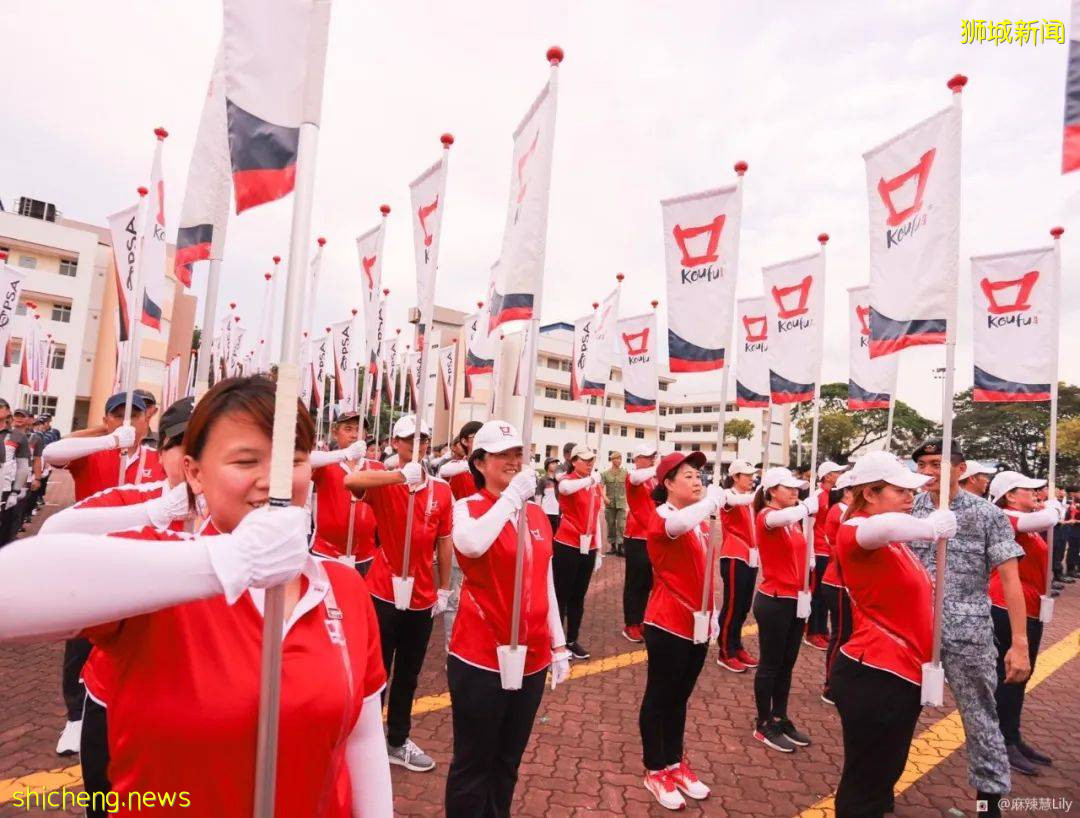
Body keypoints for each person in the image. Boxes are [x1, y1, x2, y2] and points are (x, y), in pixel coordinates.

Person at [0, 376, 393, 817]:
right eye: (246, 460)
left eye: (293, 460)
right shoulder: (157, 568)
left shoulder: (342, 587)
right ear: (194, 473)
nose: (274, 481)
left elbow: (362, 737)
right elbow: (13, 590)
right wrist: (234, 560)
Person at [38, 397, 193, 817]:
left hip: (192, 697)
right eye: (183, 443)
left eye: (208, 442)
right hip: (118, 689)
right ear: (166, 451)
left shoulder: (237, 511)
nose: (194, 456)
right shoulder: (131, 489)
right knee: (106, 802)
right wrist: (156, 509)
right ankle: (74, 718)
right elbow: (55, 528)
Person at [444, 420, 570, 817]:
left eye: (518, 453)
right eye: (502, 454)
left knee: (507, 762)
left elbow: (545, 581)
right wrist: (511, 500)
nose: (514, 461)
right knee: (473, 763)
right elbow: (471, 544)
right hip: (480, 656)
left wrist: (558, 644)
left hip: (532, 658)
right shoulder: (467, 507)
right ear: (479, 462)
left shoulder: (536, 515)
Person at [829, 451, 957, 818]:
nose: (909, 498)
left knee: (884, 774)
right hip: (875, 674)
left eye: (910, 491)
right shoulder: (857, 530)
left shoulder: (892, 540)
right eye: (900, 491)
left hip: (901, 673)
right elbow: (880, 528)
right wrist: (931, 527)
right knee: (866, 784)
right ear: (870, 493)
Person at [909, 439, 1031, 818]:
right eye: (922, 465)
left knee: (981, 719)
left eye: (936, 464)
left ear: (960, 469)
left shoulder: (986, 514)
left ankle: (987, 808)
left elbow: (1010, 580)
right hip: (914, 629)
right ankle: (878, 794)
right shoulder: (909, 508)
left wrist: (1020, 643)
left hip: (967, 631)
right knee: (897, 714)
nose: (927, 472)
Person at [40, 392, 165, 756]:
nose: (127, 421)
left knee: (135, 639)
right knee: (81, 641)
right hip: (89, 560)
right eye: (117, 414)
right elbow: (52, 453)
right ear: (106, 419)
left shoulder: (156, 458)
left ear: (147, 419)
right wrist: (108, 438)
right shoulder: (93, 453)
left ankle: (128, 709)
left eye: (135, 415)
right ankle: (75, 718)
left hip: (137, 561)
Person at [345, 414, 453, 773]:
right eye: (408, 439)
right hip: (382, 592)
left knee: (409, 674)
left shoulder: (442, 490)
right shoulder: (385, 481)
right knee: (376, 670)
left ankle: (397, 740)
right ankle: (367, 738)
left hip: (421, 598)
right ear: (395, 442)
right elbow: (351, 480)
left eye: (422, 439)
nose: (416, 445)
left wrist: (443, 588)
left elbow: (444, 540)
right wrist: (398, 476)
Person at [638, 450, 716, 810]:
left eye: (698, 475)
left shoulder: (700, 522)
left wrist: (712, 614)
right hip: (667, 623)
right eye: (688, 476)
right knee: (660, 697)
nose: (697, 481)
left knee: (680, 697)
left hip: (696, 622)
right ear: (667, 484)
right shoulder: (663, 517)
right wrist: (713, 501)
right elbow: (676, 526)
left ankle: (674, 762)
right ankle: (655, 769)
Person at [987, 471, 1061, 776]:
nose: (1036, 493)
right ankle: (1002, 742)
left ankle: (1013, 737)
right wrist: (1054, 506)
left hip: (1029, 607)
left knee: (1021, 677)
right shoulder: (1004, 517)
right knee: (1010, 676)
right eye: (1027, 490)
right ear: (1009, 496)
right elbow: (1049, 518)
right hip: (1006, 606)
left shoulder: (1025, 522)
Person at [751, 467, 817, 753]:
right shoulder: (768, 516)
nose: (794, 491)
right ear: (771, 492)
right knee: (770, 664)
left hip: (796, 599)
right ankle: (763, 722)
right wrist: (807, 506)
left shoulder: (794, 519)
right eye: (787, 487)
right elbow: (783, 517)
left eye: (796, 487)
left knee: (787, 664)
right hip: (774, 601)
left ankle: (780, 716)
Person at [310, 410, 378, 575]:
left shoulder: (376, 467)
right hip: (326, 553)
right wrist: (344, 454)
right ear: (335, 433)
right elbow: (304, 459)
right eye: (348, 429)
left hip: (366, 555)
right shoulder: (324, 465)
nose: (354, 435)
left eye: (359, 429)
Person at [553, 444, 605, 660]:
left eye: (592, 459)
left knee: (578, 596)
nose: (590, 463)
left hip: (588, 546)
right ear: (574, 461)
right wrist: (590, 480)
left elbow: (595, 518)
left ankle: (572, 640)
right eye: (585, 460)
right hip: (567, 544)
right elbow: (565, 489)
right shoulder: (568, 479)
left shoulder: (593, 485)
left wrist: (599, 550)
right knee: (561, 594)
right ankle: (555, 642)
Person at [437, 420, 483, 652]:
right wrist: (472, 462)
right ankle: (452, 649)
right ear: (464, 440)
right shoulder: (455, 467)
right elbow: (443, 471)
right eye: (475, 436)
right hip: (459, 541)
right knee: (454, 600)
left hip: (484, 541)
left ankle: (474, 646)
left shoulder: (489, 469)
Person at [716, 459, 758, 671]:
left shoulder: (749, 499)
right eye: (747, 475)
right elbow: (733, 501)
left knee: (743, 606)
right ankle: (725, 651)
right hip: (734, 556)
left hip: (750, 556)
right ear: (735, 477)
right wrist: (760, 494)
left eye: (752, 475)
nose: (751, 478)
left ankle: (736, 644)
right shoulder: (728, 495)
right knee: (732, 605)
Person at [820, 474, 854, 705]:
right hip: (837, 581)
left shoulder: (844, 510)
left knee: (846, 634)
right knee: (840, 635)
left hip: (844, 580)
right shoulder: (840, 511)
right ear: (846, 491)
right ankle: (831, 684)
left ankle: (839, 681)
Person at [805, 461, 846, 650]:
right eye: (837, 472)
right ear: (828, 476)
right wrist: (811, 554)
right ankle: (812, 632)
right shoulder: (818, 496)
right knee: (817, 594)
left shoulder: (834, 495)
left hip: (829, 550)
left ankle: (822, 629)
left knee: (825, 595)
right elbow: (809, 525)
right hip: (819, 549)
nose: (840, 475)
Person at [622, 443, 658, 644]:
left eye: (653, 456)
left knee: (646, 582)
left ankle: (640, 619)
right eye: (647, 456)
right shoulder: (633, 476)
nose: (651, 459)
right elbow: (635, 478)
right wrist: (659, 468)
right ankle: (630, 624)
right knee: (634, 582)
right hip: (635, 535)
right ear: (636, 459)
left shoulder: (653, 479)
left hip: (651, 535)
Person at [602, 451, 628, 556]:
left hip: (621, 503)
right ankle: (613, 547)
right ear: (612, 460)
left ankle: (620, 548)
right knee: (611, 525)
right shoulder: (605, 474)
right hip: (610, 504)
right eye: (617, 458)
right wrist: (604, 497)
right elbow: (600, 487)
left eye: (620, 459)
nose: (619, 461)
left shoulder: (625, 473)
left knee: (621, 526)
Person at [538, 457, 561, 535]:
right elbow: (538, 497)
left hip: (557, 513)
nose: (555, 465)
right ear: (547, 465)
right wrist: (538, 512)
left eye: (556, 463)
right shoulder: (543, 480)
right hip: (546, 512)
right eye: (553, 463)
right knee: (545, 534)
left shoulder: (559, 480)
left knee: (555, 536)